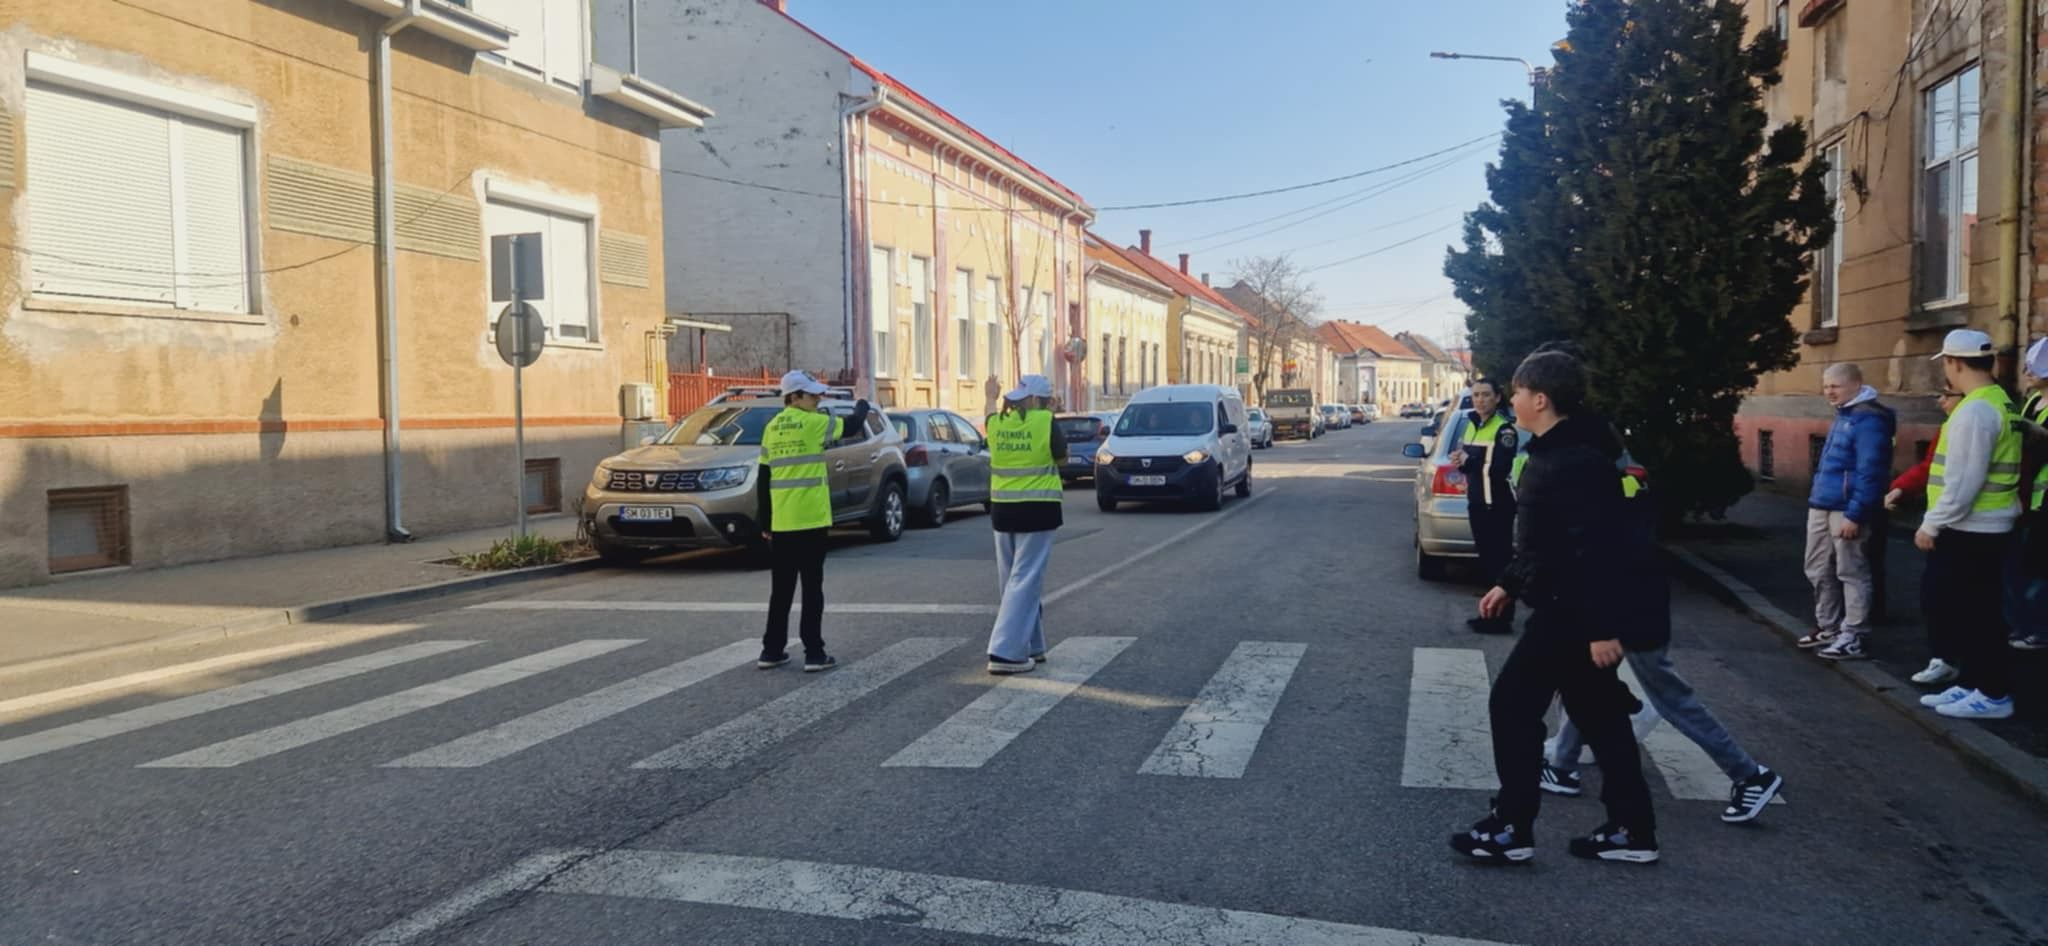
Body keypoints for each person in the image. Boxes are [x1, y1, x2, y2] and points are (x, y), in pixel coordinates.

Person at [1451, 349, 1659, 865]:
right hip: (1568, 606)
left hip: (1571, 612)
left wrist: (1603, 628)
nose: (1513, 400)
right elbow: (1545, 541)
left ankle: (1512, 827)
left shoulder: (1574, 462)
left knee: (1512, 706)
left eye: (1519, 392)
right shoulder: (1556, 452)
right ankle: (1633, 830)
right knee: (1602, 718)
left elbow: (1597, 549)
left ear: (1540, 399)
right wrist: (1508, 583)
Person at [1915, 330, 2019, 720]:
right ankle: (1974, 683)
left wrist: (1931, 524)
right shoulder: (1998, 401)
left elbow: (1962, 482)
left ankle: (1992, 694)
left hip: (1972, 528)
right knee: (1972, 610)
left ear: (1954, 363)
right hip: (1985, 525)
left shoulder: (1974, 411)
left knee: (1977, 614)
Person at [754, 370, 869, 674]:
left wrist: (765, 523)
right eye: (812, 394)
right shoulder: (814, 423)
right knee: (812, 590)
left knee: (781, 591)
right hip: (811, 520)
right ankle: (814, 653)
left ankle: (771, 650)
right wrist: (862, 402)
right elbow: (853, 425)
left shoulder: (771, 428)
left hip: (782, 523)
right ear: (794, 397)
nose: (818, 398)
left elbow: (763, 477)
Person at [1798, 363, 1896, 661]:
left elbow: (1871, 471)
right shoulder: (1845, 414)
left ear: (1856, 384)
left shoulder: (1869, 419)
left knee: (1851, 570)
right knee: (1817, 567)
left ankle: (1854, 634)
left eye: (1835, 386)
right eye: (1826, 386)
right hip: (1822, 503)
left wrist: (1856, 514)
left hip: (1846, 507)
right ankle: (1828, 626)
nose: (1829, 392)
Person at [985, 374, 1068, 675]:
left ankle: (1033, 644)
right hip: (1038, 508)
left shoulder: (997, 423)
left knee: (1011, 579)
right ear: (1038, 400)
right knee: (1026, 580)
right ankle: (1005, 652)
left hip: (1002, 510)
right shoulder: (1046, 422)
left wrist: (990, 396)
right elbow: (1062, 459)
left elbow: (988, 416)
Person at [1886, 389, 1965, 684]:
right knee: (1937, 595)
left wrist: (1931, 524)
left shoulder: (1975, 419)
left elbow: (1964, 481)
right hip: (1951, 522)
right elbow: (1931, 466)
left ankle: (1958, 665)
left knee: (1949, 596)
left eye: (1947, 393)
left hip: (1960, 524)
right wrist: (1901, 487)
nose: (1941, 400)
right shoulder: (1952, 424)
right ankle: (1946, 659)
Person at [1449, 379, 1519, 635]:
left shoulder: (1505, 430)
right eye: (1476, 395)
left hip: (1496, 505)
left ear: (1497, 398)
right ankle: (1489, 614)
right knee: (1487, 562)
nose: (1480, 400)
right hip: (1477, 502)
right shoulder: (1472, 425)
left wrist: (1470, 461)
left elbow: (1499, 470)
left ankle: (1502, 619)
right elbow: (1473, 467)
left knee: (1500, 562)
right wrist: (1460, 461)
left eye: (1486, 395)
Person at [2008, 339, 2048, 652]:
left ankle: (2039, 629)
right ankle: (2023, 624)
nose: (2026, 373)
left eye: (2033, 369)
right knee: (2021, 565)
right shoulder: (2032, 400)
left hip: (2044, 501)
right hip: (2025, 497)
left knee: (2038, 567)